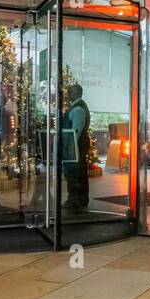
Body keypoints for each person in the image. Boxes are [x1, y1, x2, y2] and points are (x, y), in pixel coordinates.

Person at [62, 82, 90, 213]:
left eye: (70, 92)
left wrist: (70, 147)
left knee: (75, 173)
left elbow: (76, 131)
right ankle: (80, 199)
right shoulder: (77, 106)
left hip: (76, 145)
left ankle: (75, 200)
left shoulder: (78, 109)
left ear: (77, 93)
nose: (68, 94)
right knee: (79, 173)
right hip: (77, 144)